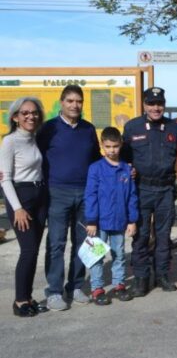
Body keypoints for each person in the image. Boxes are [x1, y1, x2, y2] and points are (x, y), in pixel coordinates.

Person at [36, 85, 101, 310]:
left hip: (85, 194)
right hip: (57, 192)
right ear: (62, 102)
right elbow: (36, 158)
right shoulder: (48, 129)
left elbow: (97, 161)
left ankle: (74, 286)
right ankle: (54, 291)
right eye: (70, 101)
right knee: (56, 243)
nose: (75, 105)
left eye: (79, 101)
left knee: (83, 243)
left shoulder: (88, 129)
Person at [121, 87, 177, 296]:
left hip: (165, 189)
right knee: (141, 235)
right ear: (145, 105)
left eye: (160, 103)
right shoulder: (132, 127)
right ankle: (141, 277)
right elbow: (124, 160)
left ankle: (162, 274)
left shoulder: (173, 127)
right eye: (152, 103)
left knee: (164, 236)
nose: (156, 108)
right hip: (142, 189)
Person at [1, 97, 49, 317]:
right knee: (28, 250)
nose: (31, 116)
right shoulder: (10, 141)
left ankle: (28, 296)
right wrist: (18, 208)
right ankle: (20, 300)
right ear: (15, 117)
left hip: (40, 195)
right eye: (25, 113)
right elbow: (5, 178)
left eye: (34, 112)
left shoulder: (34, 138)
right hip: (22, 198)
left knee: (33, 250)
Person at [84, 127, 138, 306]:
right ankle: (97, 288)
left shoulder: (126, 170)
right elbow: (90, 195)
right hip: (99, 223)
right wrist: (91, 220)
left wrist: (132, 220)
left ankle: (119, 285)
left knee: (119, 254)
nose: (112, 150)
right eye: (108, 146)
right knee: (96, 256)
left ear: (121, 145)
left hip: (120, 221)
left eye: (115, 146)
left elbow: (131, 196)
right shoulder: (95, 169)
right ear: (102, 145)